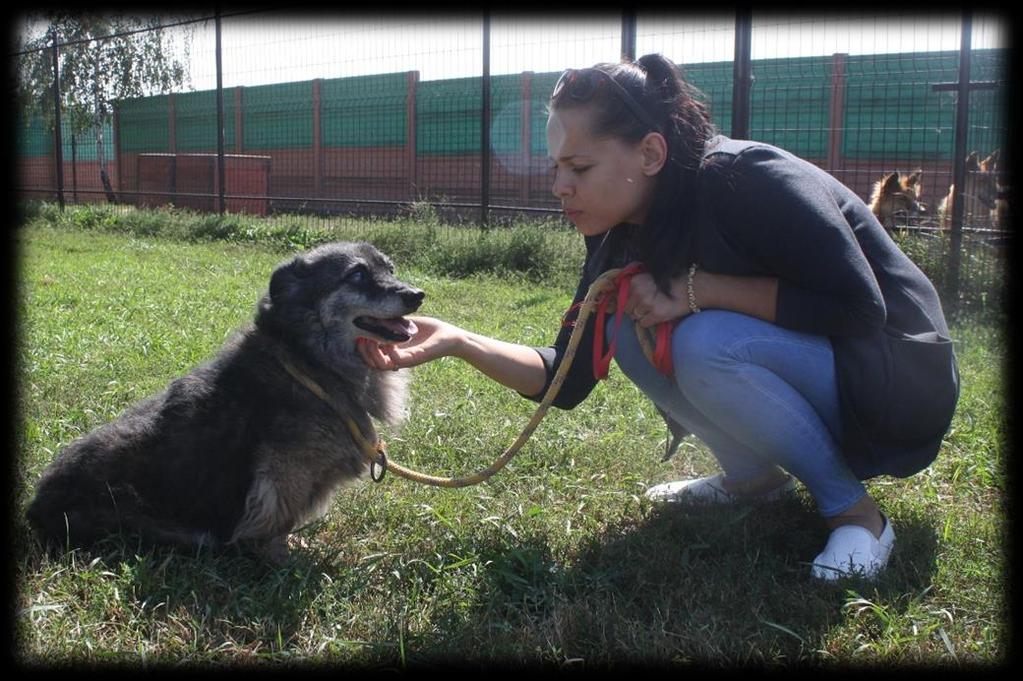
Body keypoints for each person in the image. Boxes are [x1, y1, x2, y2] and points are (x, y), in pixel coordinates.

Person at [358, 54, 959, 581]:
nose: (560, 188)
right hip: (836, 372)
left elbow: (859, 308)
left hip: (898, 384)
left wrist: (700, 289)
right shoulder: (617, 231)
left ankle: (858, 516)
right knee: (625, 322)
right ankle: (754, 481)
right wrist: (460, 342)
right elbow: (565, 379)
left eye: (580, 168)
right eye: (555, 170)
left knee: (702, 341)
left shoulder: (749, 179)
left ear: (650, 152)